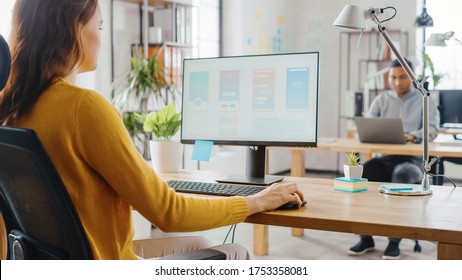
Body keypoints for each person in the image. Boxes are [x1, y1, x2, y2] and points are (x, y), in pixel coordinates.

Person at [0, 0, 304, 260]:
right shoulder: (83, 108)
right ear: (73, 28)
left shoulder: (10, 107)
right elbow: (167, 212)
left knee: (201, 245)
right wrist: (258, 200)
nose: (100, 36)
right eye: (100, 26)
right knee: (235, 251)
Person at [348, 58, 440, 260]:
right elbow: (366, 126)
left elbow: (432, 129)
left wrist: (414, 135)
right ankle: (365, 237)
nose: (397, 82)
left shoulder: (425, 100)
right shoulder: (381, 100)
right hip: (384, 159)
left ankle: (394, 241)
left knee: (402, 175)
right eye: (393, 77)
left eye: (402, 77)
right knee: (362, 175)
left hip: (412, 161)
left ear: (412, 77)